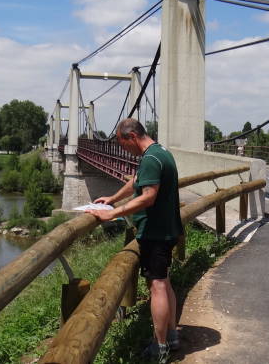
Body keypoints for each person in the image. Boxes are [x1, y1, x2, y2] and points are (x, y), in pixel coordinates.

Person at [85, 118, 182, 363]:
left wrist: (113, 213)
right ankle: (171, 336)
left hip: (155, 233)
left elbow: (148, 196)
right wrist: (112, 198)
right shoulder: (160, 153)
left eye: (122, 144)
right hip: (167, 229)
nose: (123, 149)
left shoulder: (150, 159)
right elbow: (137, 181)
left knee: (157, 286)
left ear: (131, 137)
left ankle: (160, 348)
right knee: (165, 282)